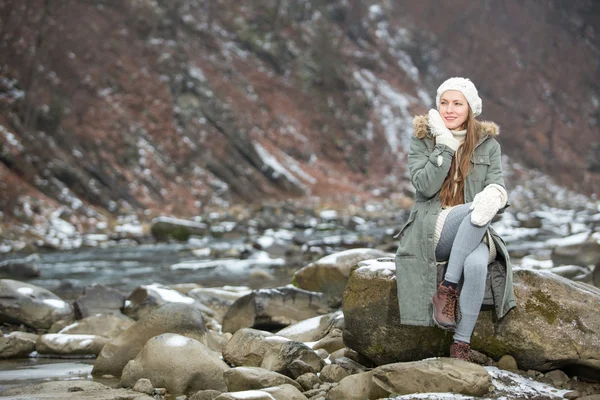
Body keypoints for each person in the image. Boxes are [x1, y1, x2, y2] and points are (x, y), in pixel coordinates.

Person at [394, 77, 515, 361]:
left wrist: (497, 195)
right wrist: (445, 147)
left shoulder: (488, 145)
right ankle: (448, 287)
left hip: (473, 230)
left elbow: (497, 186)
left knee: (475, 266)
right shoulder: (424, 138)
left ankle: (461, 345)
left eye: (457, 104)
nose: (449, 109)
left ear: (470, 108)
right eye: (444, 103)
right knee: (476, 207)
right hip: (432, 229)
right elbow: (424, 186)